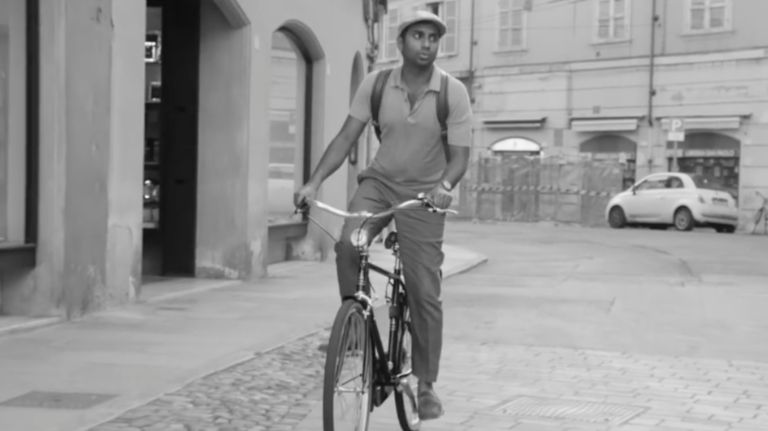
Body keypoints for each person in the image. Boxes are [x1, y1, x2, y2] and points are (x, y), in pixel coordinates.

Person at [294, 10, 472, 420]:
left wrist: (444, 187)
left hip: (426, 195)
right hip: (379, 184)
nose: (426, 44)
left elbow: (460, 157)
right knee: (348, 243)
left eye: (433, 38)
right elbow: (346, 138)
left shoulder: (453, 92)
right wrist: (312, 183)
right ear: (401, 42)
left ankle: (425, 385)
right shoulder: (375, 85)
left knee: (424, 288)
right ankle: (356, 321)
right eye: (418, 36)